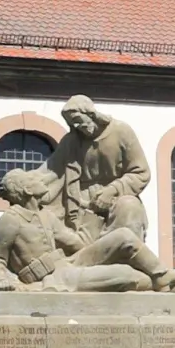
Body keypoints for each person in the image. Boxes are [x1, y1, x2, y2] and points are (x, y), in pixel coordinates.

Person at [0, 169, 175, 293]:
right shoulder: (10, 220)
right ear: (27, 190)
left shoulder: (45, 214)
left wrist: (105, 242)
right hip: (55, 278)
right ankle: (156, 284)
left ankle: (161, 275)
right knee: (126, 275)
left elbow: (76, 243)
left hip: (69, 262)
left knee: (123, 236)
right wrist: (2, 281)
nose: (41, 180)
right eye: (34, 179)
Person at [44, 95, 153, 243]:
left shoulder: (121, 131)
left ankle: (126, 257)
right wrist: (23, 182)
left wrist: (112, 190)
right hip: (80, 202)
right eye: (71, 123)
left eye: (77, 120)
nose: (76, 126)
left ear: (91, 114)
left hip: (118, 196)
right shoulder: (71, 141)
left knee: (130, 208)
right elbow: (50, 170)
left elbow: (141, 172)